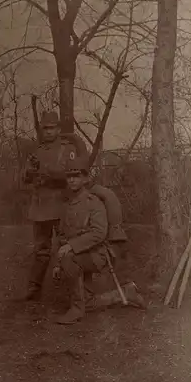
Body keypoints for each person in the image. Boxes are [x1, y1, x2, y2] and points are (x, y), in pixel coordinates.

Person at [54, 157, 146, 325]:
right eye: (69, 177)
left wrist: (70, 247)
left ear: (85, 178)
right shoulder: (67, 205)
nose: (72, 180)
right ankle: (125, 293)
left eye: (76, 175)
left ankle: (76, 310)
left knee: (69, 259)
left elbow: (98, 233)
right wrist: (57, 263)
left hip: (98, 254)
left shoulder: (93, 202)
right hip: (80, 253)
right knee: (88, 302)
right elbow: (62, 236)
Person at [21, 111, 86, 301]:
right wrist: (30, 173)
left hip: (60, 205)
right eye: (45, 128)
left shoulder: (67, 149)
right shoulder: (37, 151)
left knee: (66, 246)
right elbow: (24, 177)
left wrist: (48, 172)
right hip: (40, 206)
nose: (48, 132)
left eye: (51, 128)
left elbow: (74, 173)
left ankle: (70, 288)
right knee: (41, 248)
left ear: (58, 129)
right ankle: (35, 286)